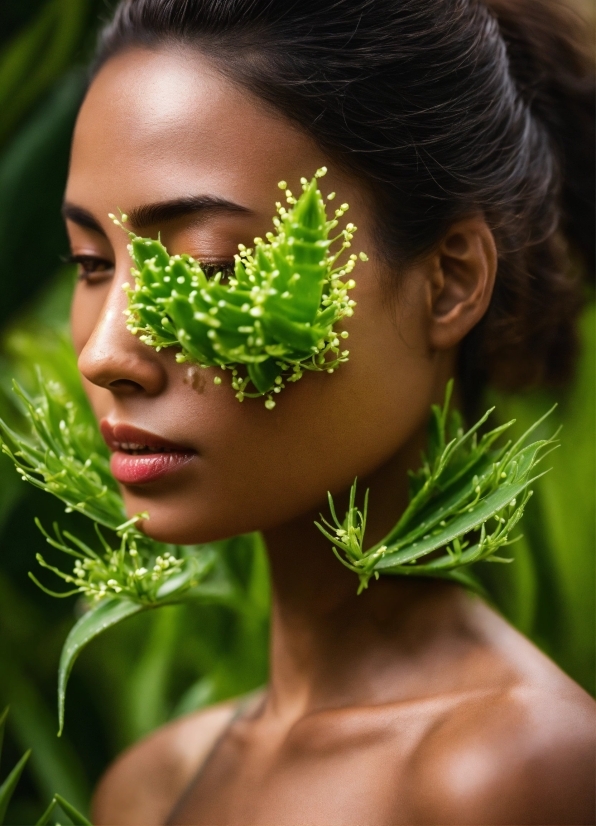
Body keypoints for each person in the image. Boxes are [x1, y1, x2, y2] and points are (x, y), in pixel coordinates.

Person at [62, 0, 595, 822]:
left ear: (448, 283)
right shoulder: (149, 787)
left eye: (206, 266)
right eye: (92, 264)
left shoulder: (515, 771)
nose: (104, 352)